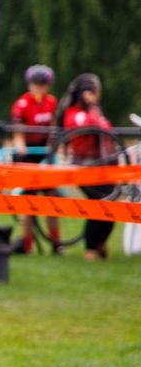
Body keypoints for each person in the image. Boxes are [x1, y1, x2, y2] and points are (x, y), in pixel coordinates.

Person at [60, 73, 115, 261]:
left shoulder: (95, 111)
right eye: (95, 92)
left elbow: (106, 130)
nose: (98, 95)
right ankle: (91, 249)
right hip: (84, 169)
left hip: (104, 168)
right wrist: (91, 106)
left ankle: (100, 245)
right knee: (99, 204)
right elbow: (91, 127)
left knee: (111, 204)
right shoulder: (74, 114)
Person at [10, 63, 61, 253]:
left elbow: (54, 125)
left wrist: (53, 145)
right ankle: (27, 244)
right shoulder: (22, 104)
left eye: (43, 84)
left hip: (44, 153)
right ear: (30, 85)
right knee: (28, 203)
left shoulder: (52, 102)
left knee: (52, 198)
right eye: (36, 84)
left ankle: (56, 243)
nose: (39, 88)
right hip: (27, 154)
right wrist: (19, 143)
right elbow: (17, 128)